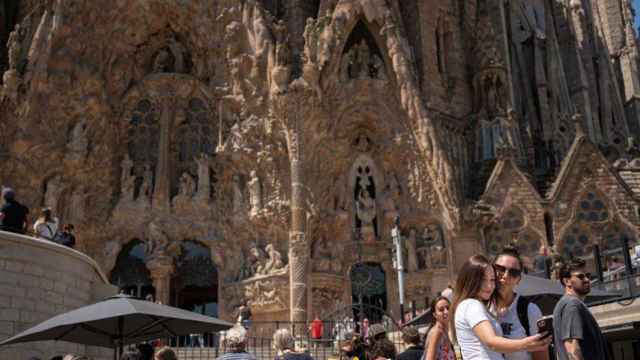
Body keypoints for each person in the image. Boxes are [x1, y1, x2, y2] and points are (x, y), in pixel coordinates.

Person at [451, 255, 550, 360]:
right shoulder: (472, 305)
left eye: (492, 280)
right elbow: (491, 342)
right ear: (470, 280)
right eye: (483, 280)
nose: (489, 285)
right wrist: (526, 344)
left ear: (519, 279)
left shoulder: (528, 309)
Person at [492, 246, 548, 360]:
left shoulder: (529, 310)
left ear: (518, 279)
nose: (506, 275)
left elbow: (541, 356)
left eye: (513, 272)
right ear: (490, 270)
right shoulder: (479, 307)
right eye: (500, 269)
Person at [553, 258, 611, 360]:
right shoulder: (572, 305)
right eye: (581, 276)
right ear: (567, 281)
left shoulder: (568, 304)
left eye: (588, 275)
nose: (587, 279)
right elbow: (571, 348)